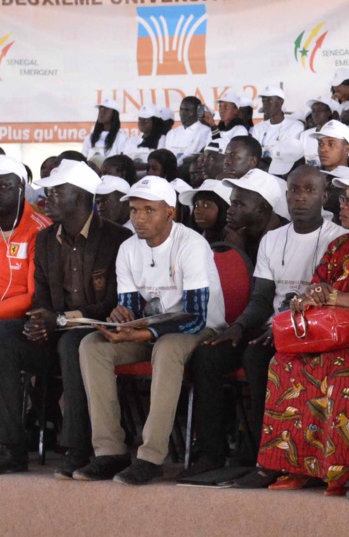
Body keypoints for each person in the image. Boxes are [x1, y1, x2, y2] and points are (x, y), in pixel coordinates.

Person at [233, 167, 349, 492]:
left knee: (341, 368)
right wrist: (309, 297)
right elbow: (319, 284)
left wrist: (335, 298)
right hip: (329, 333)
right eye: (342, 198)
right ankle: (291, 463)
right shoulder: (341, 245)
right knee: (284, 362)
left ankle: (342, 470)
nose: (341, 205)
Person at [184, 166, 349, 476]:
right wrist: (240, 326)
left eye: (309, 191)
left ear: (324, 197)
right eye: (294, 191)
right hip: (270, 327)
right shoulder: (273, 239)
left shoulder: (339, 239)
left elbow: (332, 303)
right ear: (285, 196)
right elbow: (262, 299)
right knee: (208, 354)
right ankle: (212, 453)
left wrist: (281, 328)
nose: (300, 197)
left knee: (257, 356)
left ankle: (267, 454)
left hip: (311, 330)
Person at [0, 160, 132, 477]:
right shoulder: (46, 239)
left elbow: (112, 302)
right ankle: (9, 445)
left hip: (94, 330)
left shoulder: (116, 239)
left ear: (80, 197)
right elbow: (41, 294)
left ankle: (77, 446)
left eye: (57, 192)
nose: (48, 198)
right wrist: (40, 320)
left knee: (74, 341)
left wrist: (59, 319)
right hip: (55, 328)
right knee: (3, 335)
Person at [74, 176, 226, 485]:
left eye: (148, 210)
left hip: (203, 329)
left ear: (170, 212)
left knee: (168, 347)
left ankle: (151, 456)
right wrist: (121, 318)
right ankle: (109, 451)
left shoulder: (191, 245)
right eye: (133, 211)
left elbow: (195, 317)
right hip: (153, 330)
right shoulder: (129, 248)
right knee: (93, 345)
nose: (138, 218)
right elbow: (130, 307)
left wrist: (139, 333)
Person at [0, 155, 52, 322]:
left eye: (3, 185)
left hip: (27, 318)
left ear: (21, 186)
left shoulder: (41, 231)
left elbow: (34, 298)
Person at [222, 169, 288, 263]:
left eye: (239, 204)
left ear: (262, 209)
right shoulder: (236, 233)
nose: (229, 211)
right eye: (232, 202)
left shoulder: (285, 240)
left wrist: (240, 253)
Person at [252, 85, 304, 160]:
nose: (265, 104)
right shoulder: (258, 128)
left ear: (280, 102)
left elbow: (289, 154)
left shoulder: (295, 126)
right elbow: (254, 152)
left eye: (269, 100)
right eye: (263, 101)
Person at [180, 179, 235, 245]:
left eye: (206, 205)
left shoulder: (234, 241)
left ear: (223, 208)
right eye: (196, 205)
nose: (197, 211)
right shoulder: (188, 240)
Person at [164, 96, 212, 165]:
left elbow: (192, 154)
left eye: (187, 110)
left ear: (199, 112)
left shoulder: (206, 132)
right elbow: (166, 155)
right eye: (181, 110)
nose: (183, 113)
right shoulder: (172, 133)